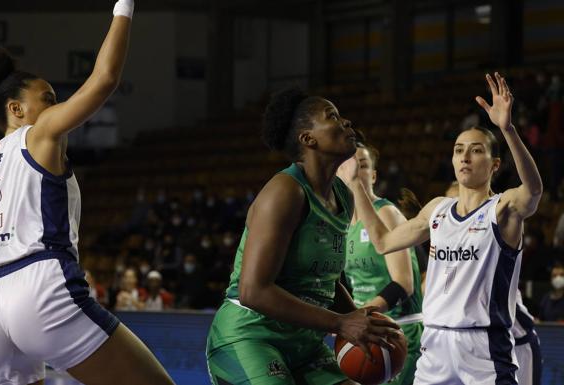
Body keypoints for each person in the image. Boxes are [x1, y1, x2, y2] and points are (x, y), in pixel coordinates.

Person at [0, 2, 174, 384]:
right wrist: (124, 8)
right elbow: (105, 78)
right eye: (46, 98)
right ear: (16, 108)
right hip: (39, 284)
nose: (56, 105)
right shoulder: (38, 134)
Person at [351, 73, 542, 384]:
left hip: (483, 346)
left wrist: (507, 130)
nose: (465, 156)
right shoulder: (437, 208)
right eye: (458, 149)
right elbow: (384, 241)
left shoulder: (502, 209)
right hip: (435, 343)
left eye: (476, 150)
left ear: (495, 165)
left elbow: (533, 190)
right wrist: (356, 184)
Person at [206, 87, 400, 385]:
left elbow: (325, 283)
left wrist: (361, 319)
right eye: (332, 116)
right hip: (250, 335)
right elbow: (253, 291)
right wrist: (340, 323)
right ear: (308, 139)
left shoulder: (344, 199)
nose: (346, 122)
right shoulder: (284, 192)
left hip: (304, 344)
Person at [337, 145, 423, 385]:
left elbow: (403, 284)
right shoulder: (341, 222)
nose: (355, 169)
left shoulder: (386, 212)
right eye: (348, 163)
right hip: (366, 331)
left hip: (399, 331)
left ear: (373, 176)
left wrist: (359, 315)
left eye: (363, 165)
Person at [445, 182, 543, 385]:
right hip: (480, 349)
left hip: (518, 344)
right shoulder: (449, 254)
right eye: (453, 203)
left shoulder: (492, 239)